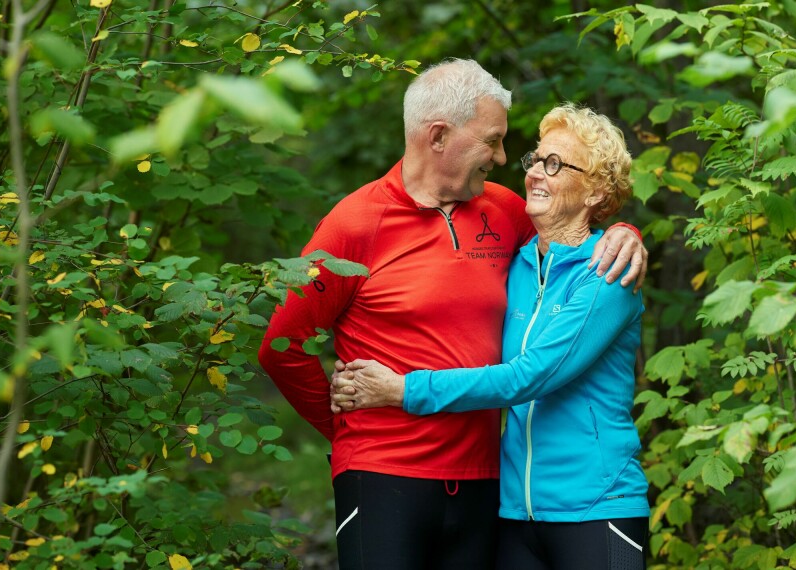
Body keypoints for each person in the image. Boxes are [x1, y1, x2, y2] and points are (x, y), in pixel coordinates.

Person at [257, 60, 647, 570]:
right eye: (493, 141)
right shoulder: (354, 224)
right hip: (385, 472)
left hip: (488, 484)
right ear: (439, 136)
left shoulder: (505, 211)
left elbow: (575, 241)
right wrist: (346, 430)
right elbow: (280, 345)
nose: (507, 160)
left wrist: (627, 234)